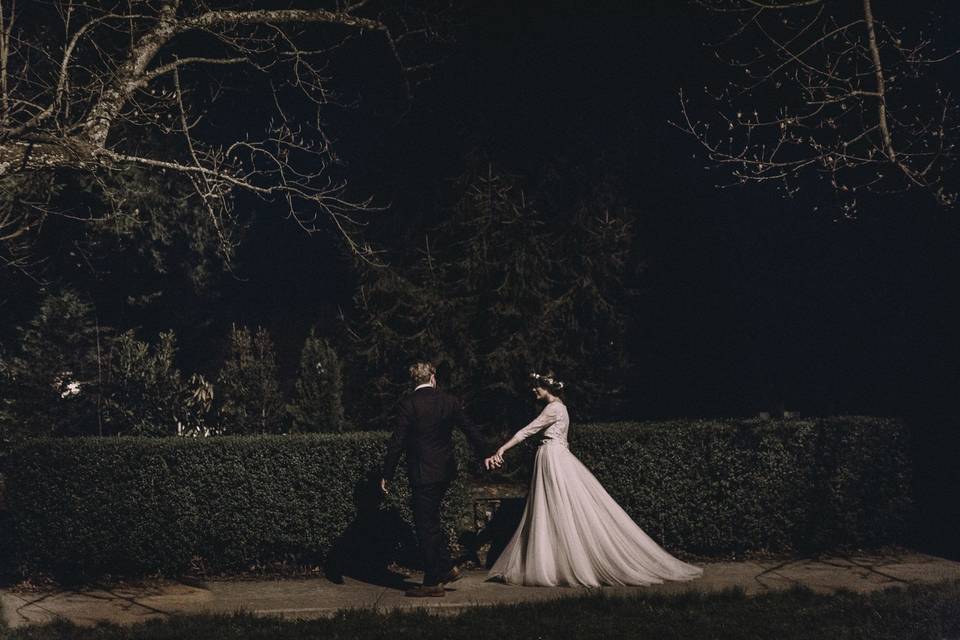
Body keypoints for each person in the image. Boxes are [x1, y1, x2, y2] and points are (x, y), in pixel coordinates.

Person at [485, 372, 703, 587]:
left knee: (556, 506)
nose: (534, 390)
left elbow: (527, 431)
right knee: (552, 508)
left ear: (547, 388)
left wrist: (502, 449)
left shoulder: (554, 408)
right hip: (553, 457)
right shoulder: (561, 408)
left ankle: (562, 564)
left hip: (552, 458)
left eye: (537, 386)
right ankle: (556, 562)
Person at [381, 362, 490, 597]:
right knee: (430, 521)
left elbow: (397, 442)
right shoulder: (449, 401)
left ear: (414, 381)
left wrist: (387, 474)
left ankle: (432, 582)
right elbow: (470, 430)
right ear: (433, 378)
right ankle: (447, 568)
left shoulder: (408, 404)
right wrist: (488, 453)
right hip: (445, 473)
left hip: (422, 474)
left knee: (425, 526)